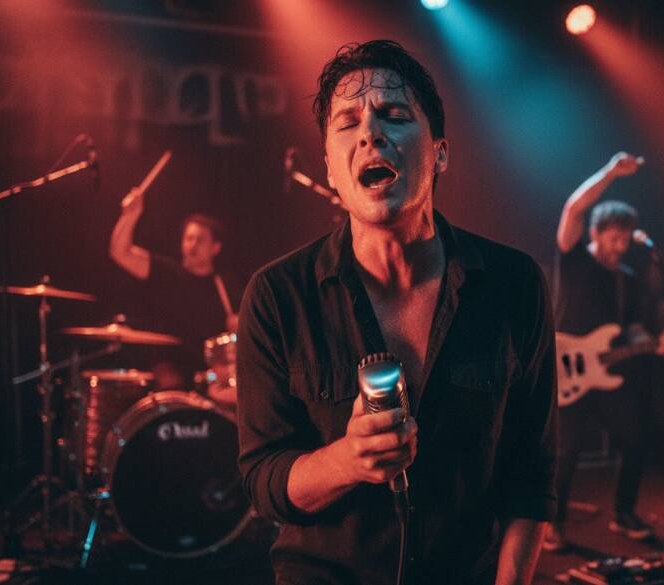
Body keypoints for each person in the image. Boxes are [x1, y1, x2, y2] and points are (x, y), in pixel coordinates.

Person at [236, 40, 557, 585]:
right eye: (348, 122)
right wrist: (348, 460)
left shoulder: (515, 284)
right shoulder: (277, 295)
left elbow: (532, 474)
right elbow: (265, 482)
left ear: (440, 153)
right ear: (332, 170)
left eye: (394, 115)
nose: (370, 133)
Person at [547, 153, 664, 549]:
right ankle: (552, 524)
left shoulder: (628, 279)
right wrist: (610, 173)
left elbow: (632, 326)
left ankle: (624, 513)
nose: (621, 246)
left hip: (606, 372)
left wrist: (655, 344)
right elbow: (573, 208)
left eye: (626, 239)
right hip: (567, 365)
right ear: (597, 233)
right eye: (615, 238)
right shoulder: (573, 260)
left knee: (635, 438)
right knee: (567, 449)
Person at [109, 189, 241, 389]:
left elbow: (242, 333)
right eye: (189, 238)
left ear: (216, 247)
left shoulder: (226, 285)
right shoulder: (166, 272)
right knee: (172, 382)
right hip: (169, 365)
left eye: (200, 239)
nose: (192, 245)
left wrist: (240, 327)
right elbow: (120, 252)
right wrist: (131, 214)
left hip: (210, 371)